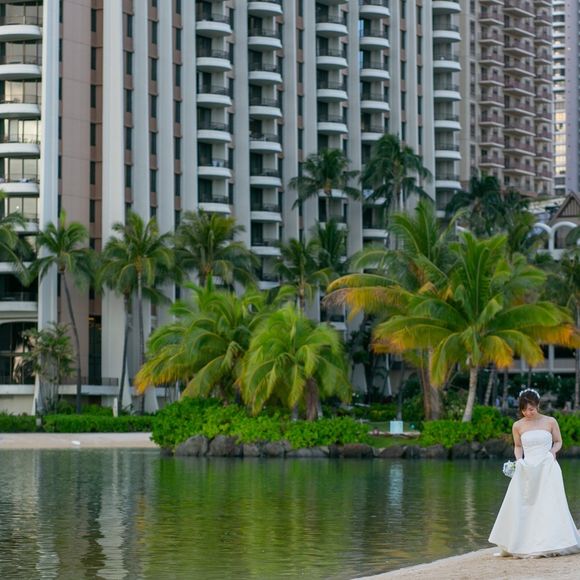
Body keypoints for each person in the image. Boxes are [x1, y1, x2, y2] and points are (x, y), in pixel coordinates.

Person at [489, 388, 580, 557]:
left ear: (537, 405)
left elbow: (558, 441)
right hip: (527, 468)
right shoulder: (518, 425)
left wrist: (552, 452)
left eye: (531, 409)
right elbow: (518, 446)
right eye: (524, 410)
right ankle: (523, 542)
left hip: (547, 466)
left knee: (549, 502)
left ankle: (551, 542)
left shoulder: (550, 421)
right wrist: (519, 461)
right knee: (525, 503)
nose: (528, 413)